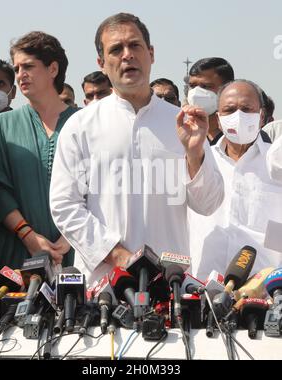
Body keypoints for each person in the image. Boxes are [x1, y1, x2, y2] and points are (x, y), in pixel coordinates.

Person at [50, 13, 224, 285]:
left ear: (151, 54)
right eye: (116, 50)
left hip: (170, 284)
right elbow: (65, 206)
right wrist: (117, 255)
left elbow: (208, 203)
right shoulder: (80, 125)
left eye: (135, 46)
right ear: (102, 63)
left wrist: (194, 155)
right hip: (102, 287)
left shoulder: (182, 122)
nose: (127, 55)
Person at [0, 31, 77, 277]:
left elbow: (100, 188)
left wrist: (71, 235)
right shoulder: (4, 124)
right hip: (17, 254)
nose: (20, 75)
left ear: (53, 68)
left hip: (78, 252)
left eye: (28, 66)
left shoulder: (84, 123)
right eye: (17, 68)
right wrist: (28, 235)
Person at [188, 79, 282, 280]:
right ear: (219, 119)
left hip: (262, 292)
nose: (238, 116)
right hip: (202, 285)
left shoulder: (276, 163)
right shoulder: (201, 160)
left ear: (261, 116)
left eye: (247, 109)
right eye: (229, 110)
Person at [187, 57, 234, 145]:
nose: (196, 93)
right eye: (192, 86)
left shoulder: (240, 136)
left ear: (227, 89)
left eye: (205, 86)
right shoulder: (184, 131)